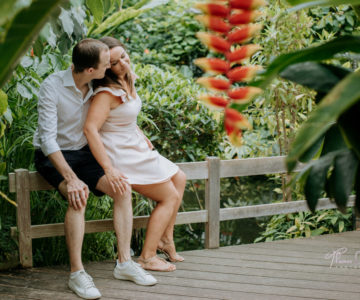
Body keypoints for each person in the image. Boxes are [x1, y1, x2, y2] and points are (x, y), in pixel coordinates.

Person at [33, 38, 157, 300]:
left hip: (83, 152)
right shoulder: (52, 87)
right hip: (53, 155)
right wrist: (71, 178)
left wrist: (138, 134)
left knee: (122, 189)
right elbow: (47, 141)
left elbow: (123, 110)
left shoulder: (97, 84)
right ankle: (77, 274)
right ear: (90, 70)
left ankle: (124, 263)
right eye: (106, 64)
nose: (111, 67)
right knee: (78, 197)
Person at [84, 36, 187, 272]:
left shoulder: (127, 78)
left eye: (123, 55)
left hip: (136, 145)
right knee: (169, 197)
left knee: (179, 177)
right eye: (115, 62)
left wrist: (141, 134)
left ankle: (165, 239)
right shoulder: (106, 93)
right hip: (122, 154)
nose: (123, 62)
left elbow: (126, 116)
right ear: (105, 68)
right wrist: (109, 167)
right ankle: (147, 256)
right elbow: (90, 129)